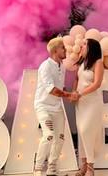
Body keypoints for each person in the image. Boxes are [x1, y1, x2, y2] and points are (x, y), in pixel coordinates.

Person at [34, 37, 79, 176]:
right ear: (55, 51)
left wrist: (69, 92)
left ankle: (52, 168)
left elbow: (59, 86)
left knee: (60, 138)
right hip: (43, 106)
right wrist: (69, 95)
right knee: (48, 136)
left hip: (57, 107)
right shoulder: (45, 66)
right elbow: (52, 90)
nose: (66, 50)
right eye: (63, 48)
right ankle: (38, 168)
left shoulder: (62, 66)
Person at [73, 39, 104, 176]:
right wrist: (74, 93)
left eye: (85, 44)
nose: (81, 45)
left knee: (87, 131)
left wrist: (80, 93)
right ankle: (84, 166)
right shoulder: (82, 63)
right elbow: (76, 79)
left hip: (92, 102)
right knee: (81, 133)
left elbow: (97, 84)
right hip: (80, 103)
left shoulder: (98, 63)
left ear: (92, 48)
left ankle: (91, 167)